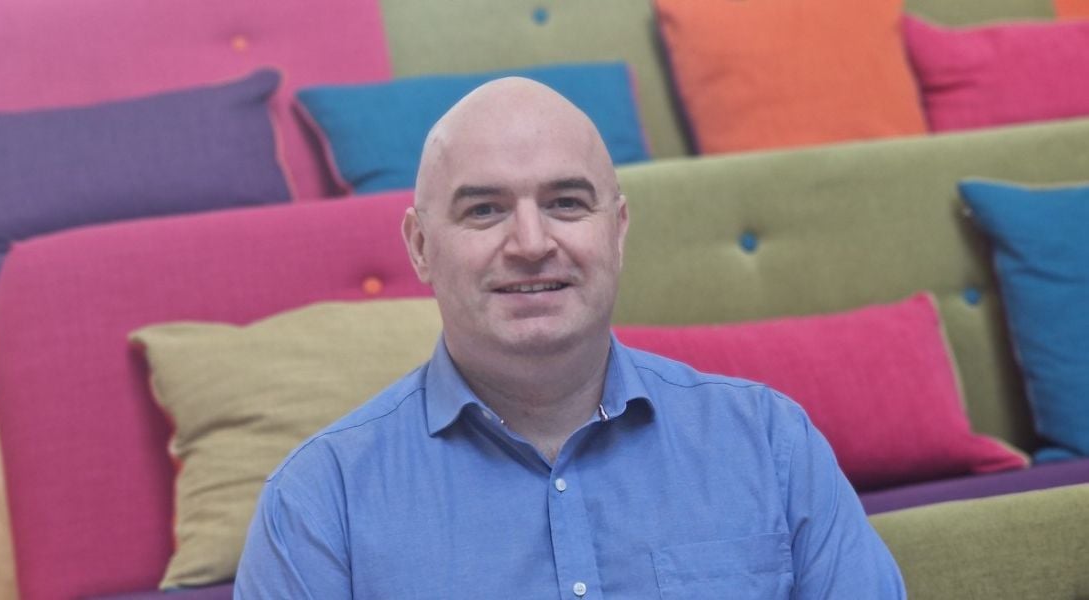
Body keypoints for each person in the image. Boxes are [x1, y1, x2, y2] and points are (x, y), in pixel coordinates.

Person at [234, 77, 906, 598]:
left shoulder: (768, 442)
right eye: (485, 209)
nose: (531, 244)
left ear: (616, 231)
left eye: (565, 203)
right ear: (420, 247)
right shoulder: (321, 505)